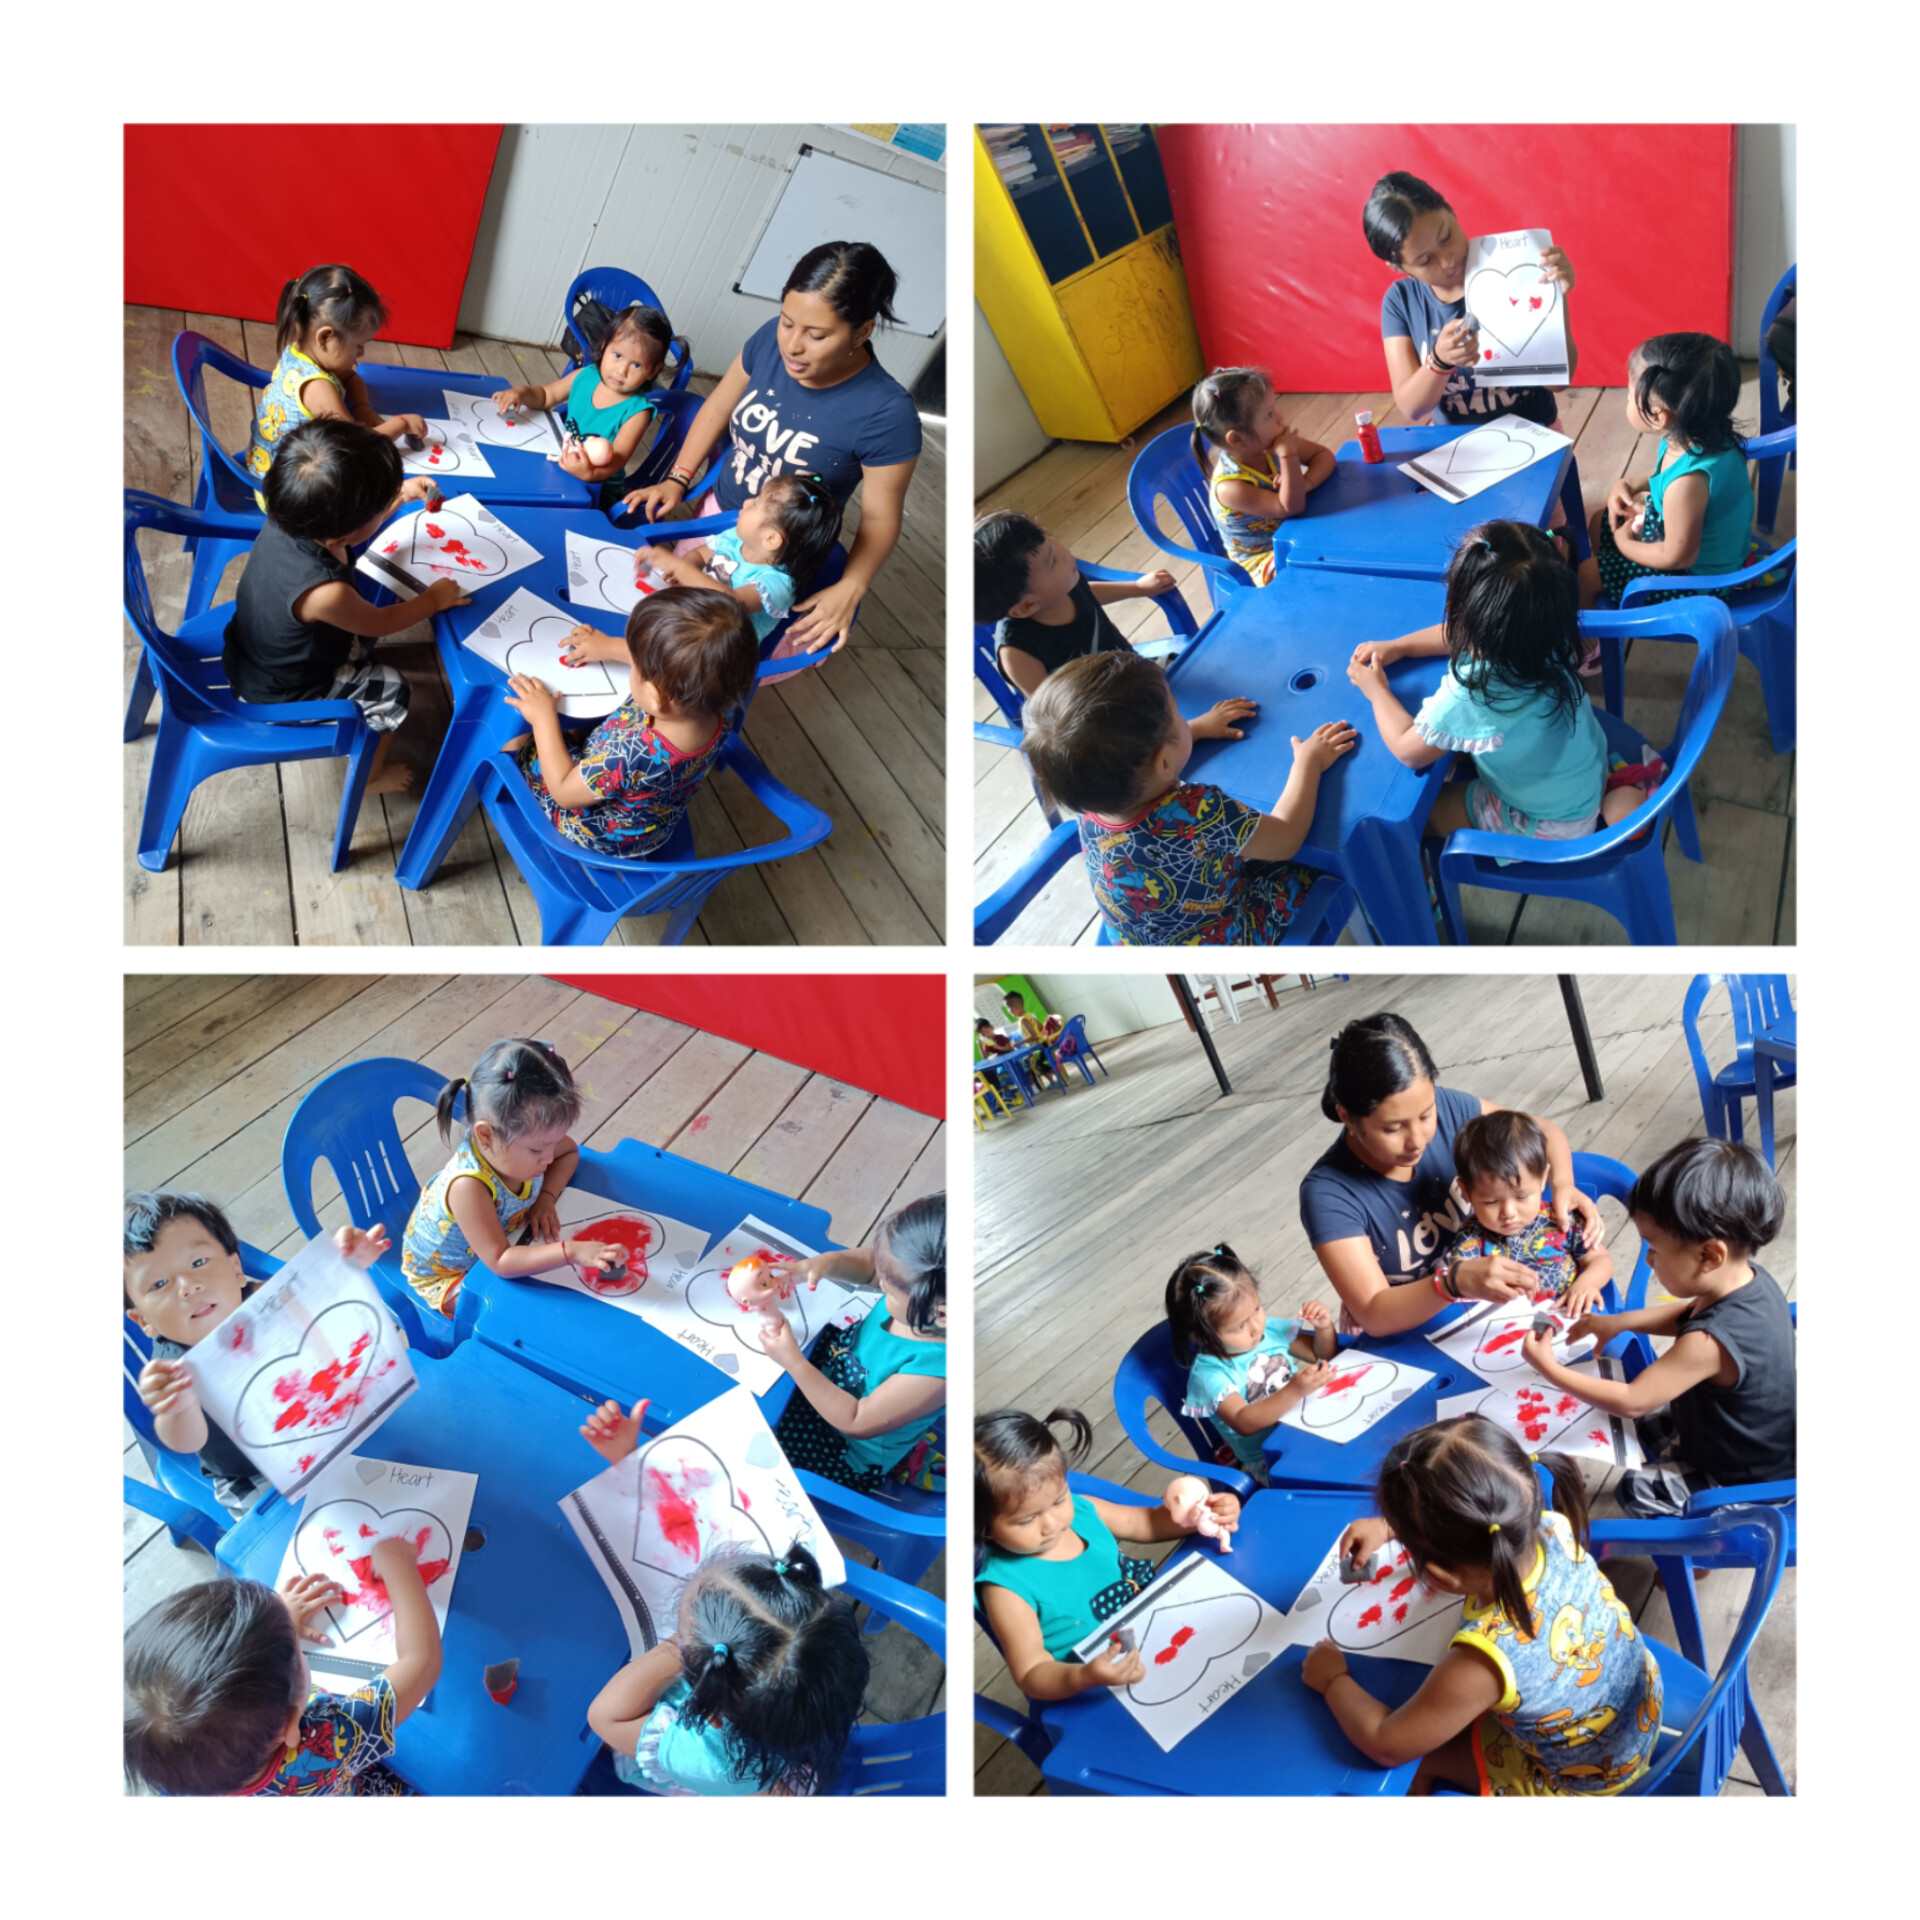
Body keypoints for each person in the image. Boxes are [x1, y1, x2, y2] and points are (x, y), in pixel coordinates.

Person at [1302, 1415, 1661, 1795]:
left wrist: (1332, 1680)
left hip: (1586, 1781)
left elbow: (1385, 1744)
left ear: (1442, 1577)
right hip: (1640, 1707)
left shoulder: (1482, 1662)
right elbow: (1481, 1517)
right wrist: (1394, 1527)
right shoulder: (1551, 1526)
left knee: (1419, 1762)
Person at [618, 242, 922, 656]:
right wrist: (677, 478)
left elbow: (880, 517)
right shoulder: (769, 340)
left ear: (862, 331)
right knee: (663, 618)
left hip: (776, 556)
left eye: (816, 335)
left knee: (704, 651)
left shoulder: (886, 412)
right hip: (721, 522)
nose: (792, 346)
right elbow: (718, 407)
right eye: (787, 322)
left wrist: (852, 585)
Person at [577, 1401, 869, 1794]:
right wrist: (630, 1460)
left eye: (685, 1623)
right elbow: (696, 1534)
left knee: (584, 1736)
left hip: (677, 1757)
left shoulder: (707, 1755)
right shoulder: (814, 1676)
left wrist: (678, 1644)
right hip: (776, 1743)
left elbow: (604, 1718)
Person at [1522, 1137, 1794, 1518]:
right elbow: (1690, 1314)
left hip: (1744, 1479)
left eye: (1655, 1249)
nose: (1648, 1260)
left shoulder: (1709, 1342)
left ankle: (1706, 1540)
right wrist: (1616, 1322)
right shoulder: (1748, 1278)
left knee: (1634, 1489)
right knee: (1630, 1429)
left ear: (1710, 1255)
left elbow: (1634, 1399)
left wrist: (1549, 1369)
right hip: (1739, 1435)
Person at [1347, 521, 1652, 849]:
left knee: (1418, 816)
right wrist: (1400, 646)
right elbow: (1464, 633)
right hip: (1583, 769)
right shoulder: (1550, 629)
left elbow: (1409, 751)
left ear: (1457, 609)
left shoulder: (1475, 692)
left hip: (1551, 822)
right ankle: (1616, 800)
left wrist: (1377, 691)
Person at [1299, 1011, 1605, 1337]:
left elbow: (1543, 1132)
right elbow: (1375, 1313)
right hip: (1404, 1333)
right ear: (1347, 1116)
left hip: (1483, 1314)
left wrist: (1563, 1184)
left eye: (1426, 1115)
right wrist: (1452, 1283)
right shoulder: (1329, 1193)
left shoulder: (1447, 1108)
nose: (1418, 1140)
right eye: (1393, 1128)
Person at [1022, 649, 1355, 945]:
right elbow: (1285, 837)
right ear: (1164, 762)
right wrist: (1308, 763)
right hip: (1226, 939)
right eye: (1178, 715)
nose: (1185, 720)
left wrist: (1192, 731)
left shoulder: (1091, 794)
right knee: (1313, 869)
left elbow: (1147, 763)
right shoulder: (1196, 810)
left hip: (1141, 943)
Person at [222, 418, 457, 797]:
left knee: (360, 634)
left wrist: (398, 496)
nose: (388, 503)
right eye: (381, 504)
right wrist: (432, 601)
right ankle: (371, 777)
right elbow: (380, 622)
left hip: (255, 656)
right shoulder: (325, 592)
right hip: (282, 695)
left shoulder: (292, 515)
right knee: (395, 689)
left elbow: (350, 530)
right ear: (344, 532)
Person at [124, 1193, 393, 1518]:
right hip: (250, 1475)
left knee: (397, 1465)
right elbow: (186, 1442)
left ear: (235, 1267)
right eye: (159, 1284)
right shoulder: (171, 1370)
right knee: (295, 1534)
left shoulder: (261, 1298)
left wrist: (345, 1264)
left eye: (197, 1263)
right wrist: (177, 1407)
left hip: (317, 1428)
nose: (188, 1286)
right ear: (143, 1321)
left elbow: (317, 1295)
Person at [123, 1536, 442, 1795]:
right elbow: (421, 1660)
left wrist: (277, 1623)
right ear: (289, 1727)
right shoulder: (325, 1740)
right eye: (295, 1650)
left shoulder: (180, 1766)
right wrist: (398, 1565)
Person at [974, 1407, 1239, 1701]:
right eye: (1026, 1519)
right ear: (981, 1525)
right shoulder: (1004, 1589)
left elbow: (1146, 1523)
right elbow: (1031, 1672)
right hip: (1095, 1687)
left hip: (1158, 1629)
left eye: (1059, 1500)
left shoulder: (1083, 1511)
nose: (1052, 1523)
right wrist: (1084, 1676)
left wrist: (1202, 1515)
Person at [507, 587, 757, 857]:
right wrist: (608, 646)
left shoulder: (631, 754)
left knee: (517, 739)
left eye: (636, 665)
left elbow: (564, 794)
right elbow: (669, 662)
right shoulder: (718, 703)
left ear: (656, 696)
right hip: (654, 822)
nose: (632, 661)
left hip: (596, 829)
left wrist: (543, 718)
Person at [401, 1038, 621, 1316]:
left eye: (553, 1143)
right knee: (514, 1313)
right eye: (537, 1149)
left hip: (501, 1241)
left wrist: (545, 1198)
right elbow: (501, 1260)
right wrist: (571, 1252)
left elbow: (569, 1153)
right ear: (486, 1136)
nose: (549, 1158)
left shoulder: (525, 1143)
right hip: (447, 1275)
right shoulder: (468, 1188)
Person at [761, 1195, 948, 1494]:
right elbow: (872, 1268)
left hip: (842, 1447)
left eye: (888, 1290)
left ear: (941, 1314)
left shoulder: (936, 1370)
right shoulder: (921, 1293)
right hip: (836, 1366)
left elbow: (855, 1420)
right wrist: (827, 1263)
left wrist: (794, 1362)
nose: (878, 1284)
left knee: (758, 1434)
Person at [1363, 172, 1578, 431]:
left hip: (1535, 434)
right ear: (1398, 267)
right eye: (1425, 260)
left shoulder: (1517, 269)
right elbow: (1413, 408)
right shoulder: (1402, 301)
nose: (1448, 260)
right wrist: (1439, 361)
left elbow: (1558, 382)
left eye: (1446, 237)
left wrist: (1554, 299)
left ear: (1450, 211)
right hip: (1454, 444)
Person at [1581, 333, 1755, 610]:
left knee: (1587, 575)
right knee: (1600, 521)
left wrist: (1624, 544)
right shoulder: (1701, 434)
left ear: (1657, 415)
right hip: (1690, 541)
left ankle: (1605, 625)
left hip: (1698, 582)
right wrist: (1631, 483)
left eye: (1629, 396)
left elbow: (1676, 557)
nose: (1627, 401)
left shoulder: (1687, 484)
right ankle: (1618, 590)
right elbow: (1669, 474)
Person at [243, 264, 426, 506]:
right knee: (367, 477)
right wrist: (402, 424)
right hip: (287, 497)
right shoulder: (318, 387)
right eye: (358, 346)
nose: (361, 353)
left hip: (265, 467)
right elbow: (360, 445)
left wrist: (362, 408)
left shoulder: (301, 352)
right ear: (325, 337)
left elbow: (350, 377)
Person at [1165, 1243, 1338, 1483]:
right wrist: (1295, 1390)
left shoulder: (1267, 1331)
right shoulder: (1210, 1374)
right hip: (1273, 1459)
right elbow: (1243, 1422)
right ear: (1201, 1337)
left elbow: (1320, 1353)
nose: (1256, 1327)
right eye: (1239, 1326)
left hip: (1310, 1427)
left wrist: (1324, 1328)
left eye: (1256, 1309)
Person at [635, 470, 840, 645]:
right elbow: (698, 554)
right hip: (690, 618)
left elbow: (729, 603)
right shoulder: (736, 539)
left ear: (770, 539)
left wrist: (681, 569)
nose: (746, 501)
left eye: (756, 504)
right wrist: (684, 572)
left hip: (715, 650)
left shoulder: (776, 585)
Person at [494, 303, 674, 499]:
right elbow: (546, 396)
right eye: (617, 355)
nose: (621, 371)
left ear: (653, 371)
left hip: (596, 490)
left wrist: (590, 474)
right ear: (604, 346)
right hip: (559, 463)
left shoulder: (637, 412)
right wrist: (521, 392)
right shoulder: (586, 376)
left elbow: (618, 458)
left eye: (637, 365)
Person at [1444, 1111, 1614, 1317]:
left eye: (1522, 1197)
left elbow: (1600, 1260)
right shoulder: (1471, 1236)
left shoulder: (1562, 1219)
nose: (1509, 1213)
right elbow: (1461, 1275)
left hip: (1570, 1313)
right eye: (1491, 1202)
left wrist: (1586, 1285)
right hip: (1509, 1325)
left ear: (1542, 1179)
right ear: (1465, 1192)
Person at [1190, 368, 1334, 586]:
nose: (1280, 418)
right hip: (1262, 558)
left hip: (1293, 530)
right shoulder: (1230, 487)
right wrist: (1288, 456)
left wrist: (1304, 483)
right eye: (1269, 415)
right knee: (1311, 574)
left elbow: (1323, 456)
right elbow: (1291, 507)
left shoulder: (1269, 443)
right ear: (1237, 439)